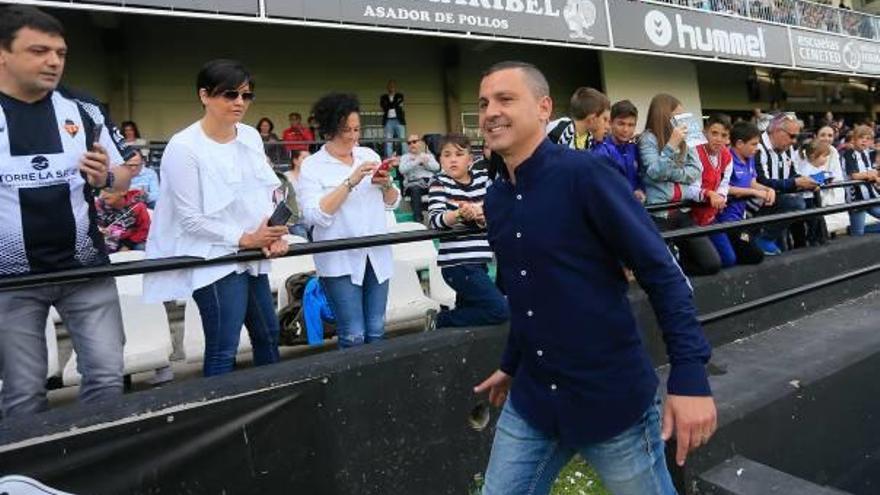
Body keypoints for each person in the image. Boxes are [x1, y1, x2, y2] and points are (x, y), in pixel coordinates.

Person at [474, 61, 716, 495]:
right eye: (484, 102)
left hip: (611, 404)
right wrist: (511, 364)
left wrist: (690, 376)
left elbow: (662, 273)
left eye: (505, 98)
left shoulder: (586, 175)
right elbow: (528, 290)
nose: (490, 111)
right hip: (532, 401)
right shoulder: (496, 199)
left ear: (544, 107)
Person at [0, 5, 136, 417]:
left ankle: (99, 467)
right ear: (3, 54)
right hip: (10, 280)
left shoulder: (83, 107)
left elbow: (125, 172)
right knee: (24, 393)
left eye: (60, 52)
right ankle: (31, 477)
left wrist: (107, 179)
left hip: (85, 270)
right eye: (39, 51)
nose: (53, 61)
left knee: (107, 377)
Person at [144, 59, 288, 377]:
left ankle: (272, 405)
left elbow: (264, 192)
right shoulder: (183, 147)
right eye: (230, 94)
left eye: (245, 96)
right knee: (224, 347)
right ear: (204, 95)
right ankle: (225, 419)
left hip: (251, 252)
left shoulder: (249, 136)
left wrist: (273, 233)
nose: (239, 102)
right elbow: (189, 220)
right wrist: (245, 238)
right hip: (212, 257)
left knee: (269, 335)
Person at [298, 93, 401, 348]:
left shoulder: (369, 155)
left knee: (377, 329)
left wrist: (386, 184)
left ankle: (376, 386)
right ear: (330, 129)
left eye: (357, 129)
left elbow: (392, 202)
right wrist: (350, 182)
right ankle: (354, 386)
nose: (354, 136)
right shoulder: (313, 165)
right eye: (346, 130)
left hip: (375, 254)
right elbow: (313, 216)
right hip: (338, 259)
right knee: (353, 333)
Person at [427, 134, 508, 328]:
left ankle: (451, 335)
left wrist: (480, 216)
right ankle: (440, 320)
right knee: (500, 310)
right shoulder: (438, 182)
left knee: (470, 316)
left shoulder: (483, 179)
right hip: (457, 264)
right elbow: (435, 220)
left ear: (470, 160)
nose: (452, 159)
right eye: (446, 155)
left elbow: (494, 211)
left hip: (479, 261)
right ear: (440, 160)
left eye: (458, 154)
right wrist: (458, 214)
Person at [639, 93, 721, 276]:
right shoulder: (647, 138)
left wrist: (671, 173)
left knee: (712, 263)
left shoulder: (686, 137)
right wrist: (671, 145)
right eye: (677, 115)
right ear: (664, 115)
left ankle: (681, 268)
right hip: (659, 213)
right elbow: (654, 172)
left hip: (683, 210)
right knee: (663, 270)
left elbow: (696, 170)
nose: (682, 120)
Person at [753, 112, 818, 254]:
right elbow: (762, 181)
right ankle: (763, 238)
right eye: (792, 136)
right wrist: (796, 182)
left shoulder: (787, 148)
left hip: (779, 202)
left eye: (797, 137)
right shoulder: (757, 147)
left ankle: (812, 243)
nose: (794, 141)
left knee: (810, 199)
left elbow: (792, 174)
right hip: (758, 204)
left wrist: (807, 182)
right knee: (797, 203)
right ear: (776, 131)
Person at [709, 122, 770, 268]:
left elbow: (752, 182)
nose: (756, 149)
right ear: (740, 143)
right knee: (752, 255)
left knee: (753, 254)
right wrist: (754, 192)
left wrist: (768, 189)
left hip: (740, 220)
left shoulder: (749, 159)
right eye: (754, 144)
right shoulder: (726, 158)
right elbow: (723, 188)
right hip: (724, 220)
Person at [592, 99, 645, 202]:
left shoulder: (634, 148)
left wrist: (640, 190)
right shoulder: (601, 151)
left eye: (631, 125)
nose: (626, 130)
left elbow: (641, 176)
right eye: (621, 124)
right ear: (611, 123)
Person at [689, 114, 733, 229]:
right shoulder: (694, 152)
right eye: (714, 133)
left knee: (726, 247)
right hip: (689, 218)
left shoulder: (727, 156)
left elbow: (725, 184)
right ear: (704, 133)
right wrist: (709, 194)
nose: (719, 139)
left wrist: (721, 196)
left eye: (724, 135)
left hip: (710, 218)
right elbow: (689, 189)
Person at [841, 124, 880, 235]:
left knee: (860, 231)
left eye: (868, 139)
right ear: (853, 140)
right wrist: (870, 174)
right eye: (861, 138)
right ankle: (854, 232)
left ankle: (859, 230)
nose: (864, 141)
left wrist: (875, 176)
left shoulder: (866, 154)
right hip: (856, 198)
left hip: (871, 196)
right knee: (858, 233)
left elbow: (871, 172)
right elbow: (854, 175)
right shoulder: (849, 154)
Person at [546, 86, 610, 151]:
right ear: (592, 119)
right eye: (604, 119)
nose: (608, 126)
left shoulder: (592, 140)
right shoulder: (556, 130)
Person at [795, 140, 834, 245]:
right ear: (813, 156)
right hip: (805, 198)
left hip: (813, 197)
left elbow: (822, 177)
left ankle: (817, 238)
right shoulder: (806, 168)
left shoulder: (817, 167)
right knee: (812, 219)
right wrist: (816, 183)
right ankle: (810, 239)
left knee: (817, 218)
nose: (825, 160)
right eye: (823, 156)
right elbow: (807, 181)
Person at [398, 134, 440, 223]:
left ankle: (440, 216)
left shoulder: (428, 155)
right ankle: (418, 220)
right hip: (414, 184)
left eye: (414, 142)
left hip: (429, 183)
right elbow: (402, 170)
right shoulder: (405, 157)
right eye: (409, 143)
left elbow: (436, 167)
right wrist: (417, 161)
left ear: (420, 143)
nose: (412, 144)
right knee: (415, 189)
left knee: (440, 186)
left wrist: (425, 163)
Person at [278, 149, 310, 240]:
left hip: (311, 220)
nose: (308, 161)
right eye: (304, 158)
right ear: (295, 161)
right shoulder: (286, 177)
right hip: (295, 222)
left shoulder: (312, 178)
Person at [380, 80, 406, 158]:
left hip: (399, 120)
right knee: (388, 141)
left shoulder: (400, 95)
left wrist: (389, 104)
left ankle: (405, 158)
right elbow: (384, 107)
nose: (391, 87)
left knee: (403, 141)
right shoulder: (383, 97)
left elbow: (397, 105)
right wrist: (395, 104)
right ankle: (389, 160)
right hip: (388, 121)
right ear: (387, 87)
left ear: (395, 87)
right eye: (390, 86)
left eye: (393, 86)